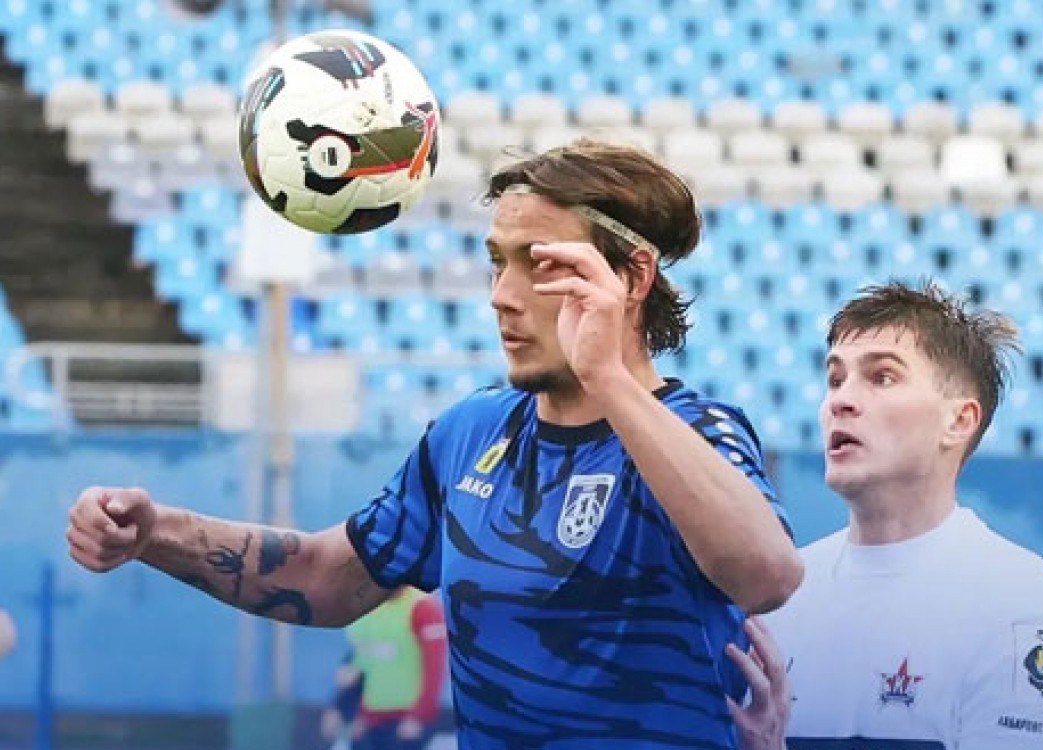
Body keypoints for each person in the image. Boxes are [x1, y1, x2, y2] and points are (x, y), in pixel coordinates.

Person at [66, 139, 803, 750]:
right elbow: (329, 577)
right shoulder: (470, 433)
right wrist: (156, 532)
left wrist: (607, 379)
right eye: (498, 260)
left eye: (541, 264)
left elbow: (767, 576)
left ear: (631, 277)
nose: (502, 294)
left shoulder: (698, 432)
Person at [727, 281, 1043, 749]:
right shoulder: (779, 598)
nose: (840, 401)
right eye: (835, 379)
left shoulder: (1025, 607)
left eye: (882, 377)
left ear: (959, 421)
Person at [320, 586, 447, 750]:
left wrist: (419, 716)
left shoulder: (423, 606)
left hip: (405, 722)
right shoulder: (362, 608)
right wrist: (339, 708)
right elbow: (356, 666)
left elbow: (435, 667)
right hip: (369, 720)